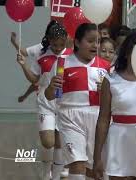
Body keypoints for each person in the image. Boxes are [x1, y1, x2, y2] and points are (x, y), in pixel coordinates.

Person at [93, 29, 136, 180]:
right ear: (127, 51)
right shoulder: (111, 80)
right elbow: (103, 120)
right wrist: (97, 157)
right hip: (120, 142)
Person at [45, 23, 110, 180]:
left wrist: (107, 92)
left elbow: (113, 101)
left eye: (98, 41)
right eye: (90, 41)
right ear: (77, 42)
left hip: (98, 119)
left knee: (95, 169)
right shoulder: (62, 63)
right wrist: (52, 87)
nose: (96, 45)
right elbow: (48, 95)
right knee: (77, 164)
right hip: (70, 118)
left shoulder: (106, 67)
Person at [16, 22, 72, 180]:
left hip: (64, 106)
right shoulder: (42, 56)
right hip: (46, 105)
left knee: (60, 144)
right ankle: (46, 170)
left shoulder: (72, 56)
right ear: (49, 40)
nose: (58, 47)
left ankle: (54, 177)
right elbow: (34, 79)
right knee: (49, 142)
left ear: (66, 40)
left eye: (61, 44)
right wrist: (23, 65)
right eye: (55, 44)